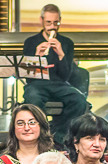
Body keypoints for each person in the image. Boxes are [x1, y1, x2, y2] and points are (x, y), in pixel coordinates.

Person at [22, 4, 88, 147]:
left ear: (60, 21)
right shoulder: (30, 42)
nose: (52, 27)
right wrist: (36, 57)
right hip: (37, 84)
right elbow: (28, 77)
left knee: (79, 100)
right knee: (32, 98)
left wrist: (61, 55)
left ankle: (59, 137)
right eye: (48, 23)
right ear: (41, 21)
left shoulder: (67, 43)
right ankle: (40, 137)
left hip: (59, 84)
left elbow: (66, 76)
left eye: (55, 23)